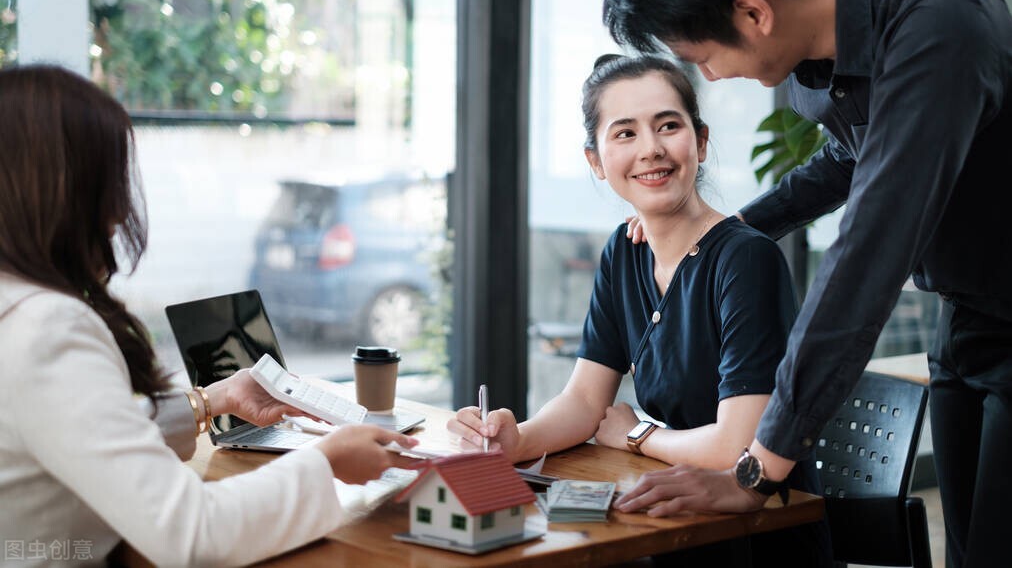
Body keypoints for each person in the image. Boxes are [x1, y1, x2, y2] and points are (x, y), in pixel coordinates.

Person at [602, 0, 1012, 567]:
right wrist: (729, 231)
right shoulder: (816, 52)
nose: (709, 73)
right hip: (969, 312)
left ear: (753, 13)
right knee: (970, 551)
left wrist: (755, 472)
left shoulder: (938, 28)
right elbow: (847, 159)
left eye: (703, 55)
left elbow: (868, 256)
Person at [0, 65, 419, 567]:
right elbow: (193, 534)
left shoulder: (17, 312)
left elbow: (74, 436)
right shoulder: (47, 329)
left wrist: (210, 401)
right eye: (109, 181)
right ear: (67, 193)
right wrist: (325, 460)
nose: (117, 214)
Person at [448, 54, 830, 566]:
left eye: (668, 126)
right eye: (624, 133)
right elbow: (585, 399)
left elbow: (736, 445)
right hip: (676, 518)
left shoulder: (746, 259)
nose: (651, 149)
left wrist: (637, 434)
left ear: (700, 140)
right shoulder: (624, 252)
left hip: (757, 533)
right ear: (597, 161)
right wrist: (517, 439)